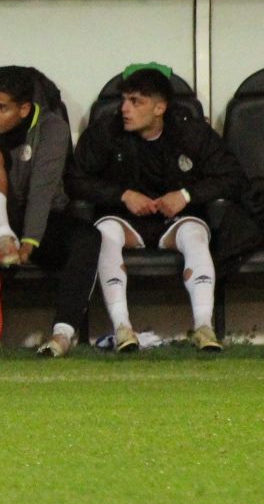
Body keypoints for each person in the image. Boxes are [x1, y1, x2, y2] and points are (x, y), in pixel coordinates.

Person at [66, 66, 245, 354]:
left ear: (160, 107)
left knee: (195, 234)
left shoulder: (190, 131)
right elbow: (74, 179)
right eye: (124, 100)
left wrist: (186, 195)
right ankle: (123, 328)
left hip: (175, 219)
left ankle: (203, 327)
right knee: (103, 233)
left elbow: (233, 177)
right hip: (125, 220)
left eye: (136, 102)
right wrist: (122, 195)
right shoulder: (106, 131)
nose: (125, 109)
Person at [0, 67, 94, 357]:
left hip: (39, 221)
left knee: (88, 238)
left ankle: (63, 333)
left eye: (3, 108)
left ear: (24, 109)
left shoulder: (53, 128)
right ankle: (0, 237)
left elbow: (43, 190)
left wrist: (30, 242)